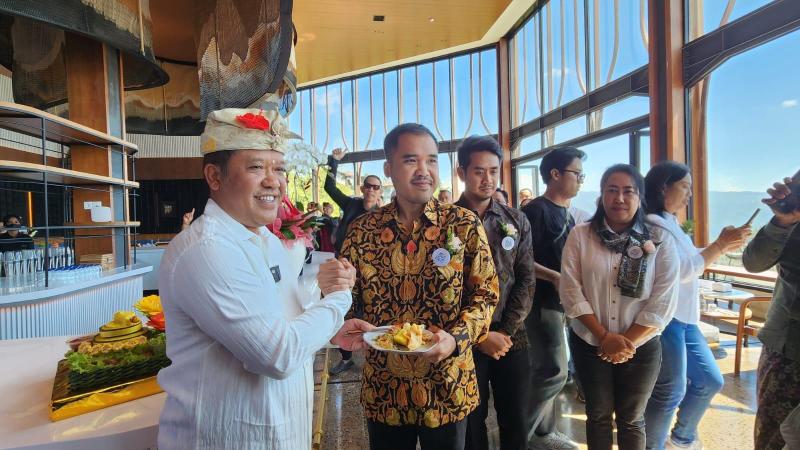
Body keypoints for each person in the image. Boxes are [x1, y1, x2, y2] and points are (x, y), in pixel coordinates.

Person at [156, 107, 374, 450]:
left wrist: (330, 333)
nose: (274, 181)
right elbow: (278, 354)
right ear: (214, 177)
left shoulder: (266, 240)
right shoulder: (207, 249)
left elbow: (282, 320)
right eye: (256, 167)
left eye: (279, 168)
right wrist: (339, 298)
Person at [340, 123, 499, 450]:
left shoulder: (463, 225)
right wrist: (333, 292)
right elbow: (347, 301)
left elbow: (485, 294)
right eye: (411, 160)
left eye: (432, 160)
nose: (424, 170)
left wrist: (456, 339)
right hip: (385, 387)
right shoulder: (362, 231)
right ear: (389, 168)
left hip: (447, 385)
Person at [560, 164, 679, 450]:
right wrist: (605, 338)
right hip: (589, 342)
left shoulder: (660, 238)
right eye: (612, 190)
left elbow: (663, 299)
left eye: (628, 191)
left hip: (641, 346)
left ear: (640, 197)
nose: (620, 198)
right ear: (601, 195)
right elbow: (571, 291)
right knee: (598, 416)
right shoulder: (581, 235)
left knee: (632, 419)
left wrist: (625, 343)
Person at [643, 161, 751, 450]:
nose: (689, 194)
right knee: (670, 391)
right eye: (685, 186)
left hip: (686, 318)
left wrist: (722, 245)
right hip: (666, 317)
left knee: (710, 380)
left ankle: (681, 437)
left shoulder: (671, 223)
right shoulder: (654, 225)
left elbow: (690, 259)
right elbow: (681, 271)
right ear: (663, 187)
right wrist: (719, 245)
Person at [454, 136, 535, 450]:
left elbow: (526, 279)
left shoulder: (516, 220)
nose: (487, 179)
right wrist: (478, 334)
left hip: (511, 336)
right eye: (478, 171)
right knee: (470, 422)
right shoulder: (444, 222)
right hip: (464, 337)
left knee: (515, 419)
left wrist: (504, 332)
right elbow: (442, 288)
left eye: (493, 171)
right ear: (461, 172)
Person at [520, 146, 585, 450]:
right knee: (553, 371)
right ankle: (516, 436)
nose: (580, 179)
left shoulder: (567, 214)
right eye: (576, 173)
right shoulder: (536, 211)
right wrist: (555, 277)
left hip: (562, 302)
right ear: (555, 174)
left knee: (547, 369)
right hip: (540, 302)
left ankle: (544, 432)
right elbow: (519, 259)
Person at [742, 175, 800, 450]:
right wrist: (783, 220)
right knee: (774, 438)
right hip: (789, 350)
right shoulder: (791, 222)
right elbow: (753, 263)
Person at [324, 147, 384, 375]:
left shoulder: (384, 215)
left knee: (372, 312)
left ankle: (377, 356)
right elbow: (329, 188)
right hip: (345, 266)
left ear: (380, 192)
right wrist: (334, 161)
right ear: (362, 188)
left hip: (371, 271)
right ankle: (346, 356)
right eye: (368, 185)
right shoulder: (350, 205)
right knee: (343, 311)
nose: (371, 189)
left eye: (375, 187)